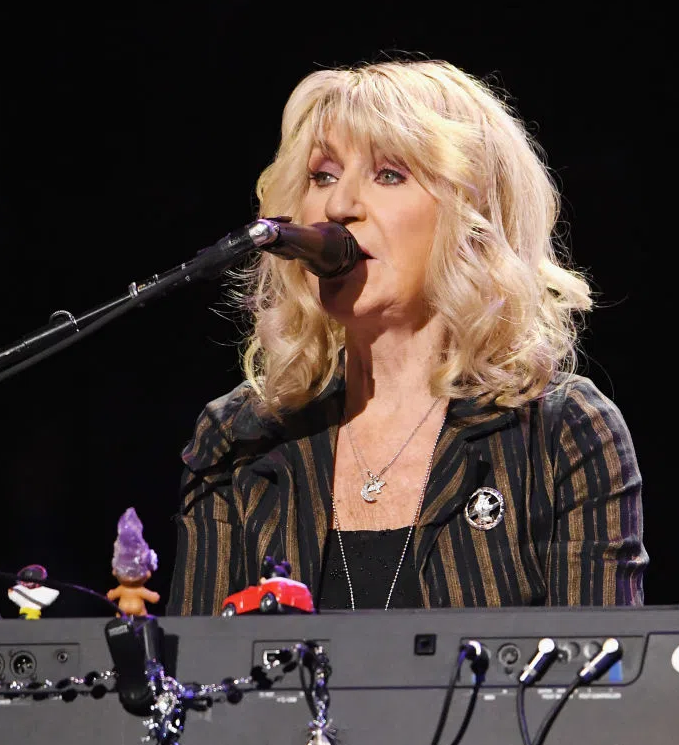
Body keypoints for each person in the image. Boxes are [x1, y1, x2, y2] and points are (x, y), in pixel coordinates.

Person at [168, 59, 647, 614]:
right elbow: (194, 666)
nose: (338, 207)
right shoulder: (239, 440)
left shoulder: (560, 432)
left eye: (389, 175)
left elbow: (598, 665)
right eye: (323, 176)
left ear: (471, 215)